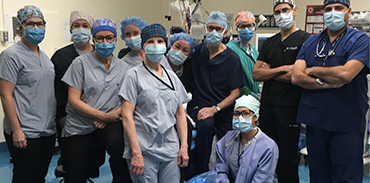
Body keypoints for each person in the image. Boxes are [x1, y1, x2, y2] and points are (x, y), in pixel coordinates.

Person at [291, 0, 369, 182]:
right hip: (315, 121)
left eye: (338, 8)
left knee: (346, 177)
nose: (333, 12)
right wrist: (326, 82)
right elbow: (296, 76)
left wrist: (311, 70)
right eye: (328, 9)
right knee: (318, 176)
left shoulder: (361, 40)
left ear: (349, 12)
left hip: (346, 123)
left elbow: (346, 74)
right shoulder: (311, 42)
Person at [60, 17, 131, 183]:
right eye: (100, 38)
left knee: (120, 146)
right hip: (80, 124)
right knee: (76, 173)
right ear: (93, 39)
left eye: (109, 38)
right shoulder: (80, 64)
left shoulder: (122, 67)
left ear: (115, 39)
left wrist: (113, 114)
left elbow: (129, 99)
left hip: (109, 122)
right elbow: (73, 100)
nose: (105, 42)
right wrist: (102, 116)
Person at [120, 23, 189, 183]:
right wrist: (136, 153)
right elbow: (127, 116)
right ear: (143, 45)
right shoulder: (133, 76)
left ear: (166, 46)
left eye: (160, 41)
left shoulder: (171, 77)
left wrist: (183, 146)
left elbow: (180, 114)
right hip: (144, 150)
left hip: (170, 148)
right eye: (150, 41)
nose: (155, 45)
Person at [252, 0, 310, 182]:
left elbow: (299, 76)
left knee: (287, 159)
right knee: (267, 154)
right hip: (268, 106)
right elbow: (255, 74)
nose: (281, 15)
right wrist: (283, 69)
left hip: (290, 107)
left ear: (295, 11)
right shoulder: (270, 43)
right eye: (277, 12)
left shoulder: (306, 40)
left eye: (285, 10)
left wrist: (269, 72)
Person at [0, 5, 56, 183]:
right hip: (24, 130)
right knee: (25, 177)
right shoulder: (10, 56)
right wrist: (16, 130)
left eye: (40, 24)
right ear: (20, 27)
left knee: (39, 176)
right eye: (30, 24)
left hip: (46, 130)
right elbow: (5, 95)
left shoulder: (45, 57)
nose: (36, 28)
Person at [187, 11, 246, 174]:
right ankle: (200, 172)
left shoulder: (232, 58)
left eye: (218, 29)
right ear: (205, 29)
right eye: (210, 28)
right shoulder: (196, 52)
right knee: (205, 128)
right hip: (200, 105)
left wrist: (215, 109)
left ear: (225, 32)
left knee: (231, 141)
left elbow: (235, 93)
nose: (213, 32)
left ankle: (226, 175)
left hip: (223, 109)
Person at [213, 95, 279, 183]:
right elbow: (220, 169)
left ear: (256, 116)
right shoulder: (228, 139)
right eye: (236, 113)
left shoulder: (268, 147)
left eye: (246, 113)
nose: (240, 117)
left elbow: (263, 179)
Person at [226, 11, 260, 99]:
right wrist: (255, 97)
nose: (246, 29)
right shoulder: (230, 49)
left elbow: (255, 79)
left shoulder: (254, 51)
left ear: (254, 28)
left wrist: (258, 94)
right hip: (237, 99)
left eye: (249, 26)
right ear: (237, 29)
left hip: (251, 99)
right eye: (242, 26)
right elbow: (235, 82)